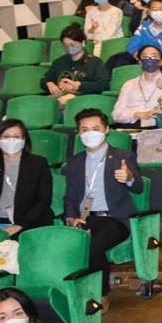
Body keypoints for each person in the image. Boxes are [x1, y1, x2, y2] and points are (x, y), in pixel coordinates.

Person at [62, 109, 144, 300]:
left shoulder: (122, 156)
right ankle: (73, 297)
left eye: (95, 128)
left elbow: (138, 187)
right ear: (79, 133)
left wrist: (129, 178)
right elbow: (70, 196)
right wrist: (71, 218)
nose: (90, 133)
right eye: (85, 129)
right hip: (85, 219)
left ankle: (101, 296)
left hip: (115, 219)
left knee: (92, 247)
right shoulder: (74, 162)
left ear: (106, 130)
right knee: (66, 247)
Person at [0, 118, 53, 231]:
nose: (11, 140)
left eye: (17, 136)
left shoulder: (38, 163)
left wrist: (19, 225)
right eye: (6, 136)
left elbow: (44, 200)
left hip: (29, 223)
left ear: (24, 140)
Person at [44, 25, 108, 108]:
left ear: (83, 43)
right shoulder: (59, 62)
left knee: (66, 101)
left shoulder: (95, 62)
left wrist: (79, 85)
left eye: (72, 45)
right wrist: (50, 84)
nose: (69, 48)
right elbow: (46, 79)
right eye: (66, 46)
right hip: (60, 98)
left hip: (84, 100)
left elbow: (103, 85)